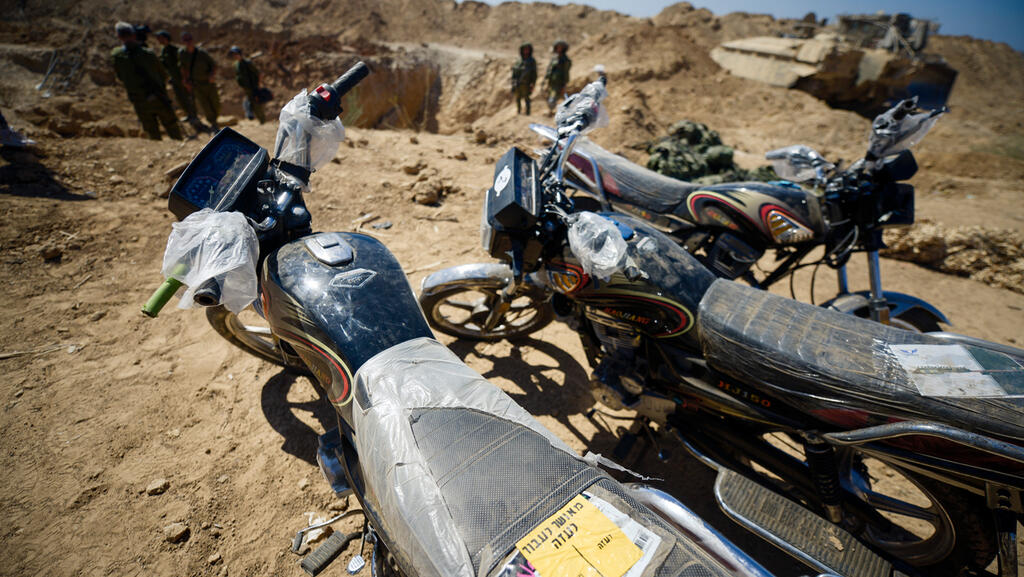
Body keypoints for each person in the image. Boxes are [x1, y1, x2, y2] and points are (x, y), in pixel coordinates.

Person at [110, 22, 182, 140]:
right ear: (134, 35)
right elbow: (163, 74)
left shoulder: (117, 56)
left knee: (151, 130)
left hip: (138, 99)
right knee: (171, 126)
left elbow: (120, 77)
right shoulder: (148, 54)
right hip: (157, 96)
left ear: (119, 37)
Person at [154, 30, 200, 128]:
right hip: (174, 79)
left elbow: (183, 65)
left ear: (166, 38)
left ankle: (194, 116)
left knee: (188, 97)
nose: (159, 41)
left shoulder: (175, 50)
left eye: (161, 38)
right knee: (180, 98)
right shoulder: (164, 51)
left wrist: (186, 78)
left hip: (181, 78)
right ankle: (188, 114)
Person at [179, 32, 220, 130]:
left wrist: (212, 75)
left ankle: (215, 118)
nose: (188, 42)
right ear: (183, 42)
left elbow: (213, 65)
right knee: (204, 104)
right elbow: (183, 68)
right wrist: (185, 80)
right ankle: (213, 123)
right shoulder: (182, 54)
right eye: (185, 40)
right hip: (196, 84)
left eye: (189, 39)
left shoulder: (201, 53)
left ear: (193, 40)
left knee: (215, 103)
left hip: (208, 83)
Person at [228, 46, 265, 124]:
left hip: (254, 86)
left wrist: (259, 84)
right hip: (246, 88)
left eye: (236, 54)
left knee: (256, 103)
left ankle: (262, 120)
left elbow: (258, 73)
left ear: (240, 54)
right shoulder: (236, 64)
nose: (235, 56)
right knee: (248, 102)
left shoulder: (247, 63)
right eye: (233, 55)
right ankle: (251, 116)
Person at [543, 40, 571, 113]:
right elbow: (549, 69)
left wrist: (564, 84)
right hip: (552, 81)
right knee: (550, 96)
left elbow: (566, 72)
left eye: (561, 47)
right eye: (558, 47)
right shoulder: (554, 58)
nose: (559, 49)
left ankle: (553, 111)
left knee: (554, 98)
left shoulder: (565, 60)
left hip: (559, 83)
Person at [511, 42, 537, 115]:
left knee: (527, 98)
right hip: (518, 83)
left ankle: (528, 112)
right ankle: (519, 111)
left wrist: (533, 84)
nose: (526, 51)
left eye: (527, 49)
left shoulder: (531, 61)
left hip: (526, 84)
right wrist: (513, 82)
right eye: (524, 49)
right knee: (518, 98)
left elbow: (534, 74)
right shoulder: (519, 60)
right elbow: (514, 72)